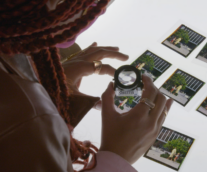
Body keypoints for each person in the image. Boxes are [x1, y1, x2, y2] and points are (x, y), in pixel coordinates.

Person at [0, 1, 174, 171]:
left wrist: (49, 95)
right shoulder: (28, 120)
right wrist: (117, 156)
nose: (100, 11)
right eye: (90, 5)